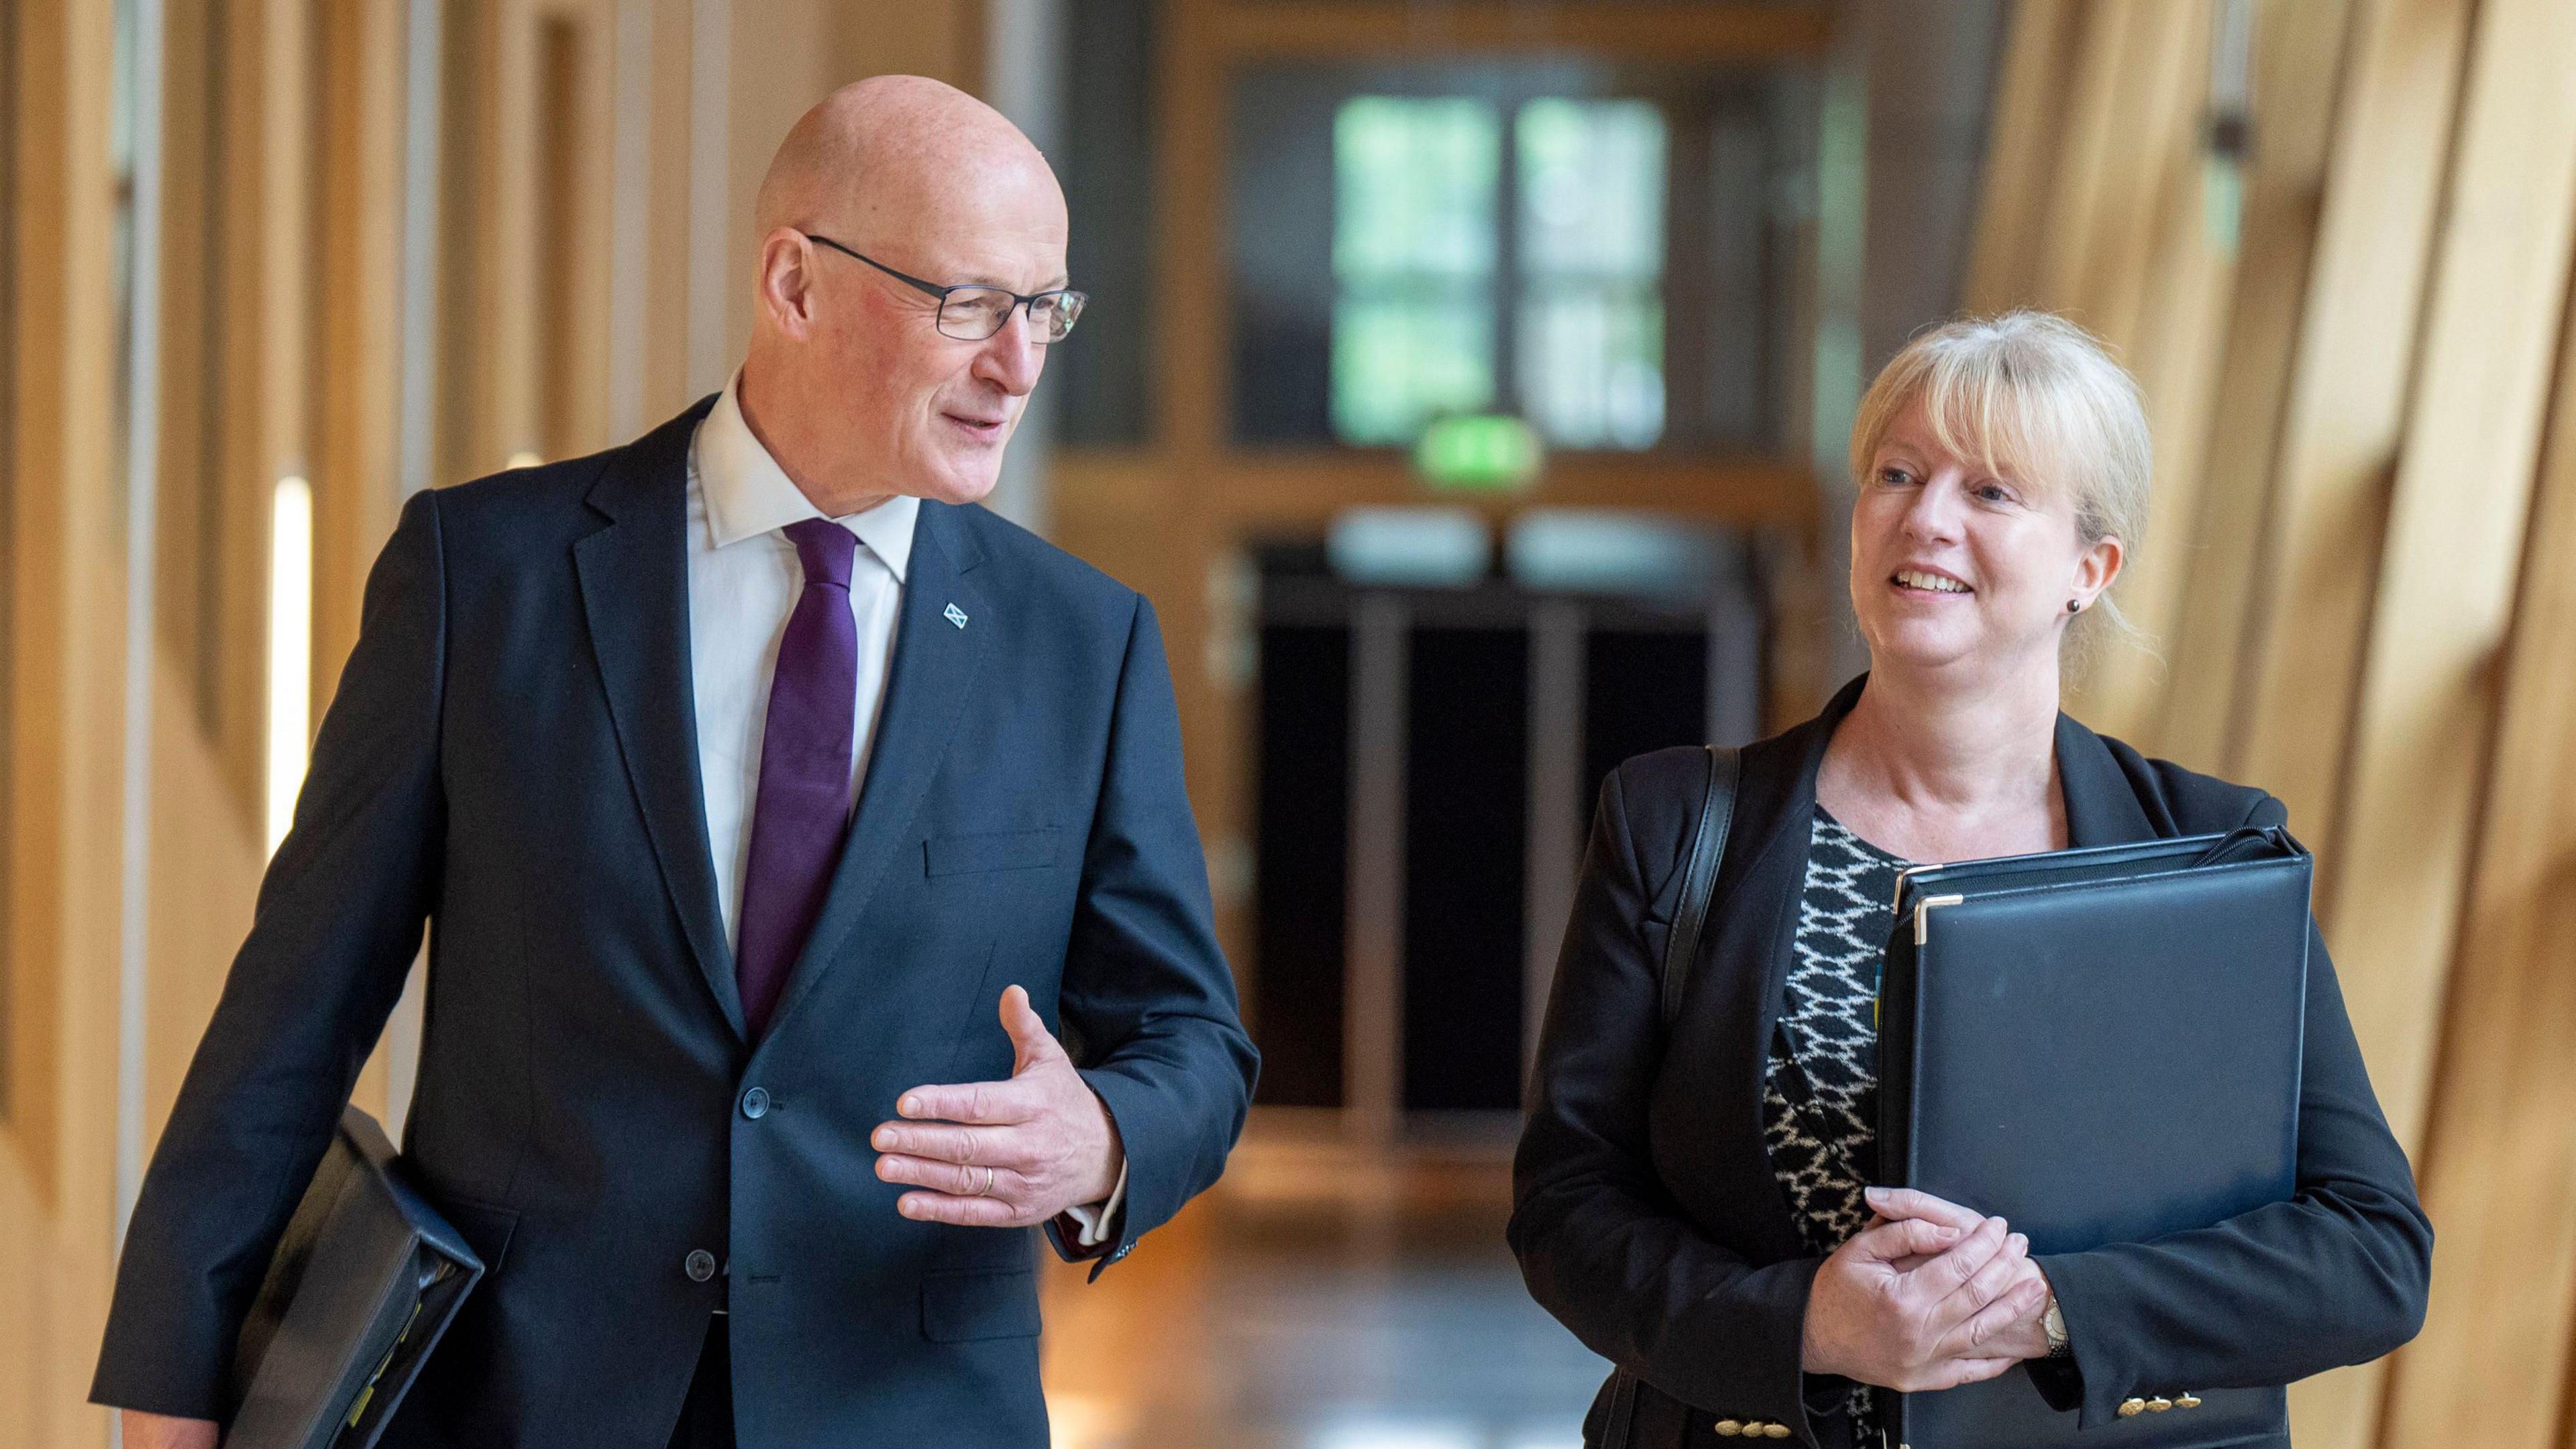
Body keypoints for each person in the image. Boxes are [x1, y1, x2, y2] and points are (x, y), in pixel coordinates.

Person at [94, 76, 1256, 1449]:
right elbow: (295, 1005)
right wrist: (171, 1383)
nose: (1019, 364)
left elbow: (1192, 1041)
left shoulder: (1084, 644)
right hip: (518, 1403)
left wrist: (1103, 1142)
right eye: (970, 304)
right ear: (795, 283)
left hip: (904, 1405)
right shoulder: (486, 578)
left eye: (1045, 308)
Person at [1508, 311, 2430, 1448]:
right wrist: (1807, 1326)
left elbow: (2371, 1251)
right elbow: (1566, 1207)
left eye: (1992, 492)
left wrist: (2047, 1311)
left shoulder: (2213, 854)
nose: (1927, 518)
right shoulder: (1675, 825)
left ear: (2088, 570)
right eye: (1897, 473)